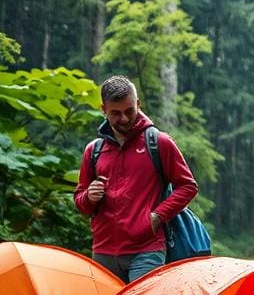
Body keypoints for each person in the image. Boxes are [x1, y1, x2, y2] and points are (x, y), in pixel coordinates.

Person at [73, 75, 198, 283]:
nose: (124, 118)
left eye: (129, 110)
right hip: (104, 250)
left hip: (147, 248)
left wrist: (156, 217)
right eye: (115, 113)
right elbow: (81, 204)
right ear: (103, 109)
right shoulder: (93, 150)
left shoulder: (159, 142)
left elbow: (188, 186)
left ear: (138, 104)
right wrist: (89, 197)